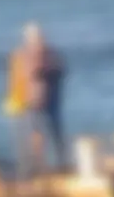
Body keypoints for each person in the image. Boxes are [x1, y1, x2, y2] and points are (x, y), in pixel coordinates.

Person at [9, 23, 69, 173]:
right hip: (28, 104)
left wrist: (45, 69)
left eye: (40, 38)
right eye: (35, 39)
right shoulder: (21, 56)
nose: (39, 42)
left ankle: (59, 166)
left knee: (53, 135)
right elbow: (19, 79)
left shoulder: (50, 55)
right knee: (31, 137)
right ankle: (32, 169)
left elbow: (60, 70)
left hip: (49, 102)